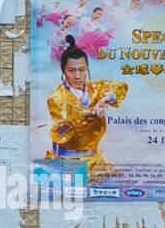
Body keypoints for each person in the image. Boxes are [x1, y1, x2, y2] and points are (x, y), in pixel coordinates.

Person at [44, 36, 128, 173]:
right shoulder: (57, 97)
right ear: (63, 70)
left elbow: (119, 86)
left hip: (95, 159)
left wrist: (105, 99)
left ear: (87, 69)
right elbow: (59, 129)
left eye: (82, 70)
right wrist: (89, 115)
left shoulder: (94, 88)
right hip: (67, 163)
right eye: (72, 70)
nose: (77, 76)